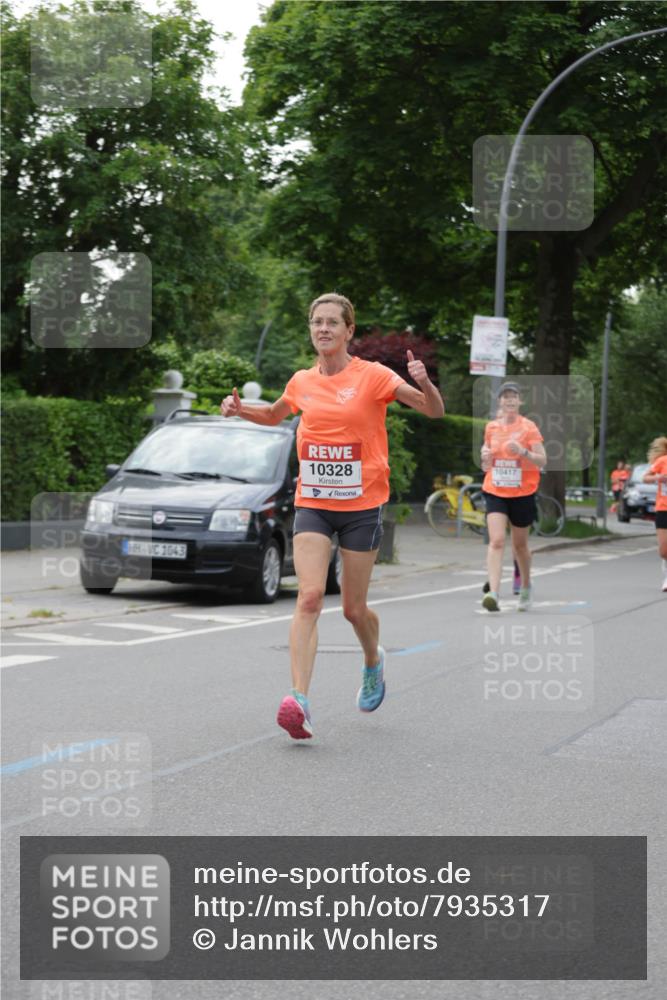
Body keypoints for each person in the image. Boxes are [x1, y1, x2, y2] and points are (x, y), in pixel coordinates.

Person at [220, 293, 445, 739]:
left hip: (361, 507)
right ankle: (298, 700)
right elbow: (274, 413)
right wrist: (240, 409)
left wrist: (424, 382)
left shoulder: (374, 376)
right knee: (307, 597)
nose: (322, 329)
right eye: (316, 322)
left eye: (331, 323)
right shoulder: (302, 381)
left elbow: (432, 409)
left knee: (353, 609)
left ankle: (372, 661)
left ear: (348, 331)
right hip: (315, 504)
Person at [480, 381, 547, 612]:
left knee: (520, 546)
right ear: (499, 401)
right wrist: (485, 458)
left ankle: (526, 585)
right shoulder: (491, 428)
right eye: (505, 397)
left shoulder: (529, 428)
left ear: (520, 401)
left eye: (513, 396)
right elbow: (486, 461)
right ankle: (494, 594)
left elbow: (542, 460)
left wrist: (524, 452)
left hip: (523, 491)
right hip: (496, 489)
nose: (509, 400)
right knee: (497, 540)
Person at [642, 437, 667, 592]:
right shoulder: (663, 461)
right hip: (663, 508)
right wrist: (658, 477)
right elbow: (645, 477)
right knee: (664, 551)